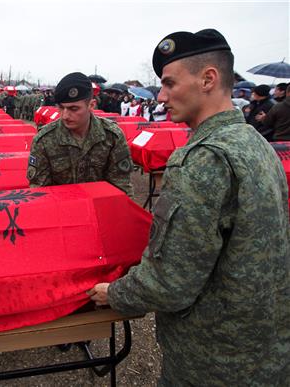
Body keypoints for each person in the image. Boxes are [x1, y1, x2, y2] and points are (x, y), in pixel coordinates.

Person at [88, 28, 289, 386]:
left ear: (208, 79)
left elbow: (172, 281)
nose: (161, 96)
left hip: (212, 360)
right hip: (265, 348)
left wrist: (115, 293)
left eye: (169, 84)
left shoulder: (202, 160)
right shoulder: (255, 142)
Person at [27, 72, 134, 196]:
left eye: (74, 109)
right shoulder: (44, 140)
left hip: (100, 209)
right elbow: (39, 192)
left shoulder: (112, 136)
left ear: (91, 105)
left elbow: (121, 187)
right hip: (60, 209)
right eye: (61, 108)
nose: (65, 116)